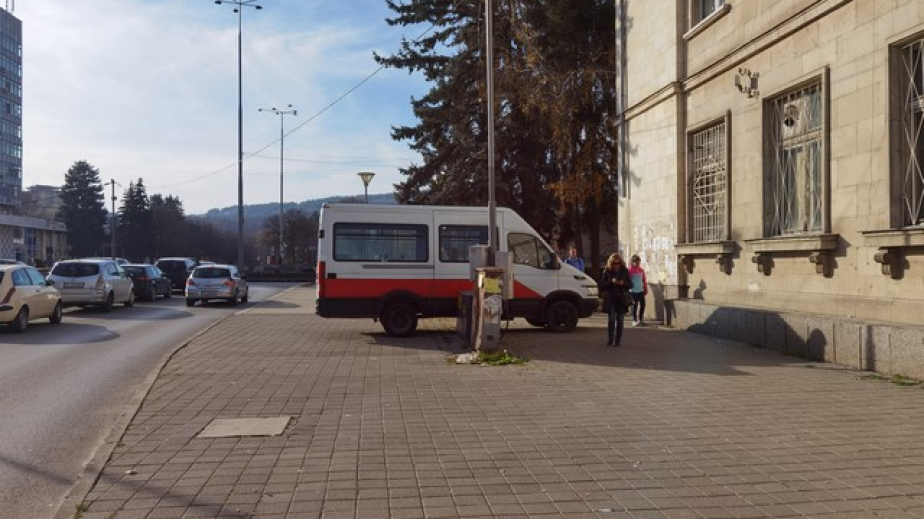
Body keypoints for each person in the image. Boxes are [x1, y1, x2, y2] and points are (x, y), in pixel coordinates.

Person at [599, 253, 631, 347]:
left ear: (621, 263)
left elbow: (630, 284)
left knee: (620, 320)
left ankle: (618, 340)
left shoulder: (625, 271)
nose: (616, 265)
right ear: (611, 263)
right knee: (612, 319)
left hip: (621, 298)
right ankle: (610, 338)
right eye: (614, 263)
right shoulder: (607, 271)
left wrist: (623, 283)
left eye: (618, 263)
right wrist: (611, 282)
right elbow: (602, 285)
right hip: (611, 298)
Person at [628, 254, 648, 326]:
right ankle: (634, 320)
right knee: (635, 306)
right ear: (633, 262)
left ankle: (641, 319)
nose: (637, 263)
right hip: (633, 291)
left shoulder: (641, 270)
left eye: (638, 262)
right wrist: (628, 289)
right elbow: (628, 280)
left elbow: (644, 280)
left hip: (640, 290)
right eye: (636, 262)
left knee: (643, 305)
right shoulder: (630, 270)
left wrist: (645, 289)